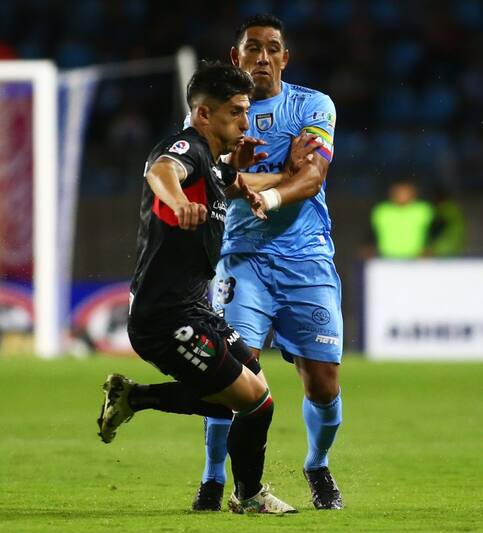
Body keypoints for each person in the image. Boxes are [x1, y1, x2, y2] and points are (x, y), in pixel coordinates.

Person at [96, 61, 316, 515]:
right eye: (236, 112)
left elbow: (234, 184)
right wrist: (177, 201)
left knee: (250, 387)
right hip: (165, 319)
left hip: (195, 310)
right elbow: (161, 170)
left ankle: (135, 397)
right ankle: (250, 497)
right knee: (255, 403)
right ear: (203, 115)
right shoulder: (188, 149)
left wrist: (272, 176)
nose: (245, 121)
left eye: (247, 111)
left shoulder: (214, 163)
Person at [190, 14, 345, 512]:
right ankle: (215, 479)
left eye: (272, 48)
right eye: (252, 47)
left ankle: (316, 465)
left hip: (307, 259)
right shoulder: (216, 111)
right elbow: (210, 177)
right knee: (232, 375)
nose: (262, 56)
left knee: (323, 383)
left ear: (285, 57)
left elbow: (314, 177)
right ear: (236, 57)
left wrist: (268, 194)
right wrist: (278, 173)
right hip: (242, 258)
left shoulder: (313, 105)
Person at [368, 180, 435, 259]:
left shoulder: (423, 210)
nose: (402, 195)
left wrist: (430, 248)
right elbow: (372, 232)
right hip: (386, 256)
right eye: (399, 192)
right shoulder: (382, 210)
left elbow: (433, 230)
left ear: (413, 193)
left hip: (416, 257)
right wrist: (369, 247)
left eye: (406, 192)